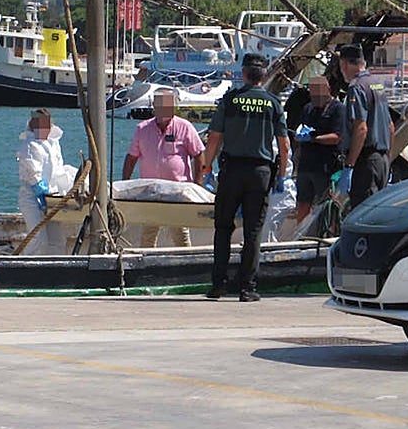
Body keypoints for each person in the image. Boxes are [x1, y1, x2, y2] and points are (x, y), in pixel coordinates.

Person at [200, 53, 289, 302]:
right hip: (261, 173)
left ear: (244, 74)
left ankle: (218, 285)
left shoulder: (230, 101)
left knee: (223, 228)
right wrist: (282, 176)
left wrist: (207, 169)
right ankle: (247, 288)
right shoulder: (273, 103)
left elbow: (214, 138)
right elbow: (283, 145)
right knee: (253, 232)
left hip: (232, 171)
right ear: (263, 75)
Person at [122, 88, 205, 247]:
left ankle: (185, 261)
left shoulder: (185, 127)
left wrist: (197, 184)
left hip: (177, 191)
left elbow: (199, 154)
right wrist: (125, 184)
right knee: (148, 234)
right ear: (154, 105)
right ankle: (145, 262)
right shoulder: (142, 129)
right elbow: (131, 158)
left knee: (180, 234)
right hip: (150, 191)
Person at [338, 44, 394, 209]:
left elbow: (361, 129)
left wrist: (349, 166)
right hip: (382, 160)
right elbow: (390, 127)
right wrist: (388, 160)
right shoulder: (377, 84)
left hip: (366, 162)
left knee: (363, 213)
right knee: (377, 211)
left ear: (345, 65)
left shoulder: (356, 87)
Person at [16, 108, 75, 255]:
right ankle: (25, 266)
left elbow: (58, 170)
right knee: (38, 237)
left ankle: (55, 269)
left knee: (57, 239)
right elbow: (33, 174)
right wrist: (41, 191)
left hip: (53, 198)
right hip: (32, 199)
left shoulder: (53, 143)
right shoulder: (29, 146)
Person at [293, 75, 346, 223]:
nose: (314, 94)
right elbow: (300, 128)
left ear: (327, 89)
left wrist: (314, 139)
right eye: (312, 91)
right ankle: (300, 234)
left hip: (325, 166)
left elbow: (337, 137)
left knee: (326, 205)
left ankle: (326, 231)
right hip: (306, 165)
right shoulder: (308, 108)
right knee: (303, 202)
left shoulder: (338, 109)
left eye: (317, 91)